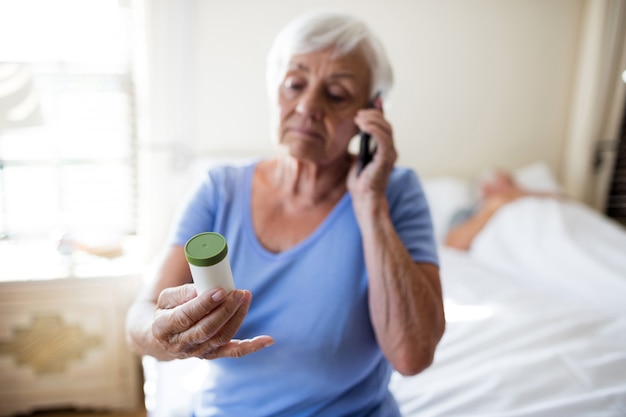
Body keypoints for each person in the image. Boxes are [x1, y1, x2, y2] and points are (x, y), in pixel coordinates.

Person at [126, 11, 445, 417]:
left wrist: (371, 207)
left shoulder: (395, 193)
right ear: (274, 89)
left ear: (372, 113)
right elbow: (139, 318)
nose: (308, 106)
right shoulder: (218, 190)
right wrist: (162, 333)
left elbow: (412, 355)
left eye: (337, 94)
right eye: (295, 85)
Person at [444, 169, 558, 251]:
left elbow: (567, 205)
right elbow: (453, 244)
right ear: (486, 189)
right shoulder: (467, 212)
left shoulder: (530, 198)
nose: (512, 188)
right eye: (505, 183)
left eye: (512, 183)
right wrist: (493, 208)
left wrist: (525, 194)